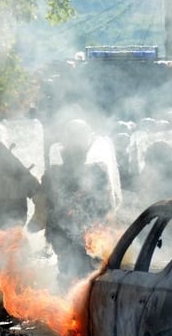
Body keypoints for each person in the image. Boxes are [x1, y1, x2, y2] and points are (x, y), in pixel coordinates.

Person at [31, 120, 113, 282]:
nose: (77, 151)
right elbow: (45, 207)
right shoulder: (54, 174)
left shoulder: (97, 172)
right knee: (72, 274)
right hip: (65, 236)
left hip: (87, 236)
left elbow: (106, 206)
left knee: (83, 275)